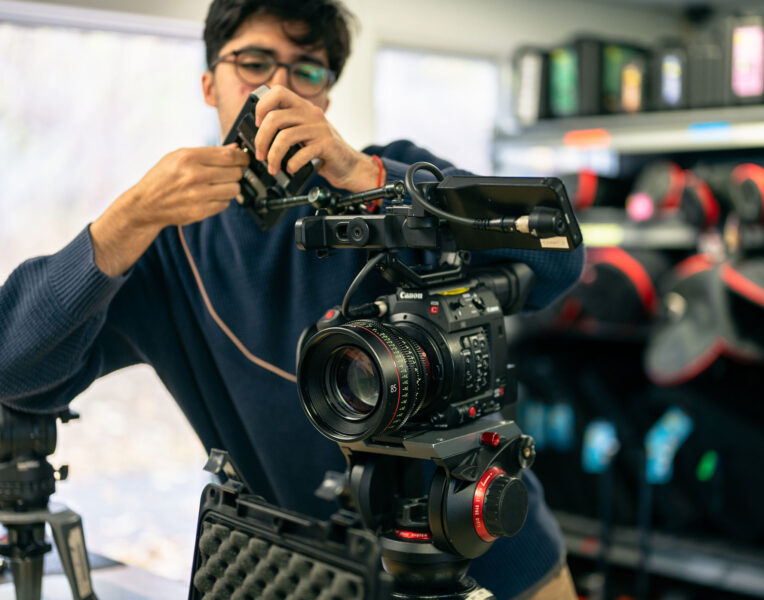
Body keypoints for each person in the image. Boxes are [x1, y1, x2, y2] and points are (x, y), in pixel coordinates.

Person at [0, 0, 583, 597]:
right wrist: (126, 221)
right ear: (209, 85)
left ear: (325, 98)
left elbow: (558, 259)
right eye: (253, 63)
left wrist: (368, 176)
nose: (276, 91)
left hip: (493, 548)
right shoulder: (167, 250)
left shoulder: (393, 182)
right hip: (313, 574)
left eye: (307, 71)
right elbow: (12, 366)